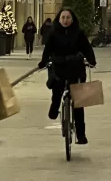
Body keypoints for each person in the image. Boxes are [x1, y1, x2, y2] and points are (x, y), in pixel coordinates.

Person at [38, 9, 96, 145]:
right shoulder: (53, 33)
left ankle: (81, 135)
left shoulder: (79, 33)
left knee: (78, 103)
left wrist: (91, 60)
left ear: (72, 19)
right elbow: (48, 50)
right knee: (57, 90)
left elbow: (87, 48)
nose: (65, 20)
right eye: (63, 17)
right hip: (59, 67)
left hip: (75, 68)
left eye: (68, 17)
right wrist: (43, 61)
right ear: (59, 19)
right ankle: (54, 108)